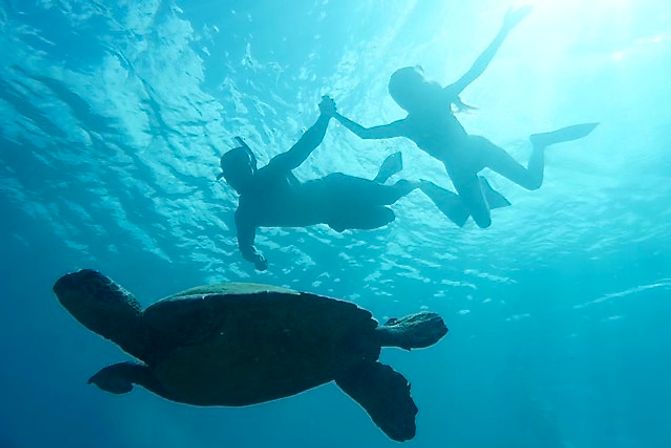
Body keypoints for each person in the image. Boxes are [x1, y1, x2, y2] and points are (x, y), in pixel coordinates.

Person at [334, 6, 598, 228]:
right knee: (489, 219)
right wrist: (334, 114)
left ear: (403, 96)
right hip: (466, 161)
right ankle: (533, 148)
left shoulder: (414, 119)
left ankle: (538, 144)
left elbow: (476, 69)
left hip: (469, 156)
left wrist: (504, 30)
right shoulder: (418, 115)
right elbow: (365, 133)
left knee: (524, 189)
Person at [218, 96, 417, 270]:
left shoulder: (269, 175)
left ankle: (420, 183)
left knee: (390, 196)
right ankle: (382, 177)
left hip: (338, 190)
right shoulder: (245, 214)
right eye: (236, 172)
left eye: (241, 168)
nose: (240, 176)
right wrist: (256, 258)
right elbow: (246, 248)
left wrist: (325, 116)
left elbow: (305, 146)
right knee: (387, 215)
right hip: (337, 216)